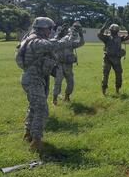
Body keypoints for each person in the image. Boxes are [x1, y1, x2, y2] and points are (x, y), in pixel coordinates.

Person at [17, 17, 83, 151]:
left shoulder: (31, 37)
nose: (51, 31)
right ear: (43, 28)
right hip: (33, 79)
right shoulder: (36, 41)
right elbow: (54, 45)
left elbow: (50, 42)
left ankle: (28, 134)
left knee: (34, 107)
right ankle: (36, 141)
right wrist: (72, 33)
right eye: (50, 29)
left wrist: (59, 34)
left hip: (36, 78)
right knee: (42, 109)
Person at [52, 21, 85, 105]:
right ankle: (54, 99)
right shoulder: (59, 39)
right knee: (58, 82)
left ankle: (67, 97)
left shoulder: (71, 42)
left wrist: (81, 35)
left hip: (68, 65)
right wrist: (60, 34)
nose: (73, 36)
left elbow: (81, 43)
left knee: (70, 82)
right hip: (58, 64)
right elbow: (53, 43)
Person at [98, 20, 129, 95]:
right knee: (112, 74)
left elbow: (99, 34)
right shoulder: (110, 38)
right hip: (109, 59)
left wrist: (104, 26)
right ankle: (113, 90)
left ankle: (107, 91)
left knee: (110, 74)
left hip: (114, 59)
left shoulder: (113, 38)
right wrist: (126, 25)